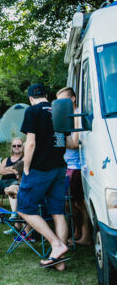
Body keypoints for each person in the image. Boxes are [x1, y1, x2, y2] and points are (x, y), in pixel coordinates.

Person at [17, 83, 69, 270]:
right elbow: (66, 140)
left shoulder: (32, 111)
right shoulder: (59, 109)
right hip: (60, 167)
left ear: (31, 98)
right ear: (46, 95)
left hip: (40, 169)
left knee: (24, 209)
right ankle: (59, 261)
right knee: (58, 212)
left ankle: (56, 244)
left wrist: (26, 168)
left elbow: (30, 143)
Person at [56, 87, 92, 246]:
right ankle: (77, 232)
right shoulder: (67, 115)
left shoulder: (77, 115)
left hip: (77, 165)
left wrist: (58, 136)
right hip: (68, 164)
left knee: (78, 203)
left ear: (72, 99)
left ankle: (85, 237)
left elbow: (75, 142)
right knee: (70, 202)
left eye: (63, 100)